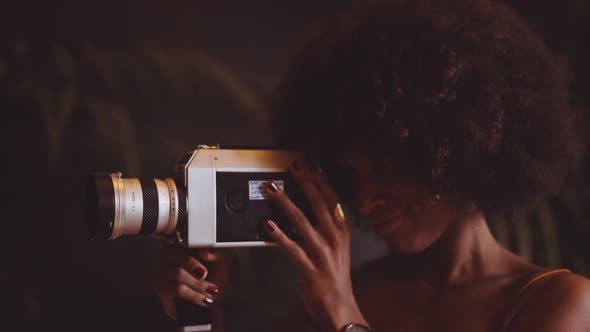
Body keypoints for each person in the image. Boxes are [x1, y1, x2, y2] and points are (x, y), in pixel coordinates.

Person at [152, 0, 590, 331]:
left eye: (391, 167)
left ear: (456, 150)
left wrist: (343, 317)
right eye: (353, 173)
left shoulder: (554, 303)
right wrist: (202, 311)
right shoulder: (354, 286)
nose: (366, 197)